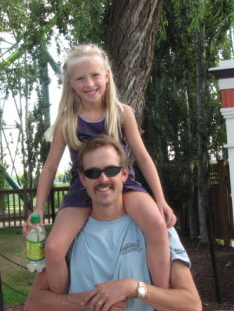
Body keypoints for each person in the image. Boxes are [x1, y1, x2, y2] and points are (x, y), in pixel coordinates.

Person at [23, 44, 176, 293]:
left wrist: (160, 200)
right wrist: (37, 209)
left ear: (107, 75)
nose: (89, 83)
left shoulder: (121, 114)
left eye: (95, 75)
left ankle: (161, 298)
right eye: (81, 78)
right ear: (71, 84)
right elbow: (50, 166)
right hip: (83, 188)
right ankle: (64, 304)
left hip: (123, 184)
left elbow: (143, 157)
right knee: (53, 248)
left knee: (158, 227)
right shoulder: (67, 121)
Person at [24, 135, 201, 311]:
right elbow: (33, 303)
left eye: (111, 170)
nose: (103, 179)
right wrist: (92, 300)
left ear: (124, 174)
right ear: (83, 179)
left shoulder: (156, 227)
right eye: (93, 173)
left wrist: (133, 287)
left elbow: (192, 305)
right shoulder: (68, 234)